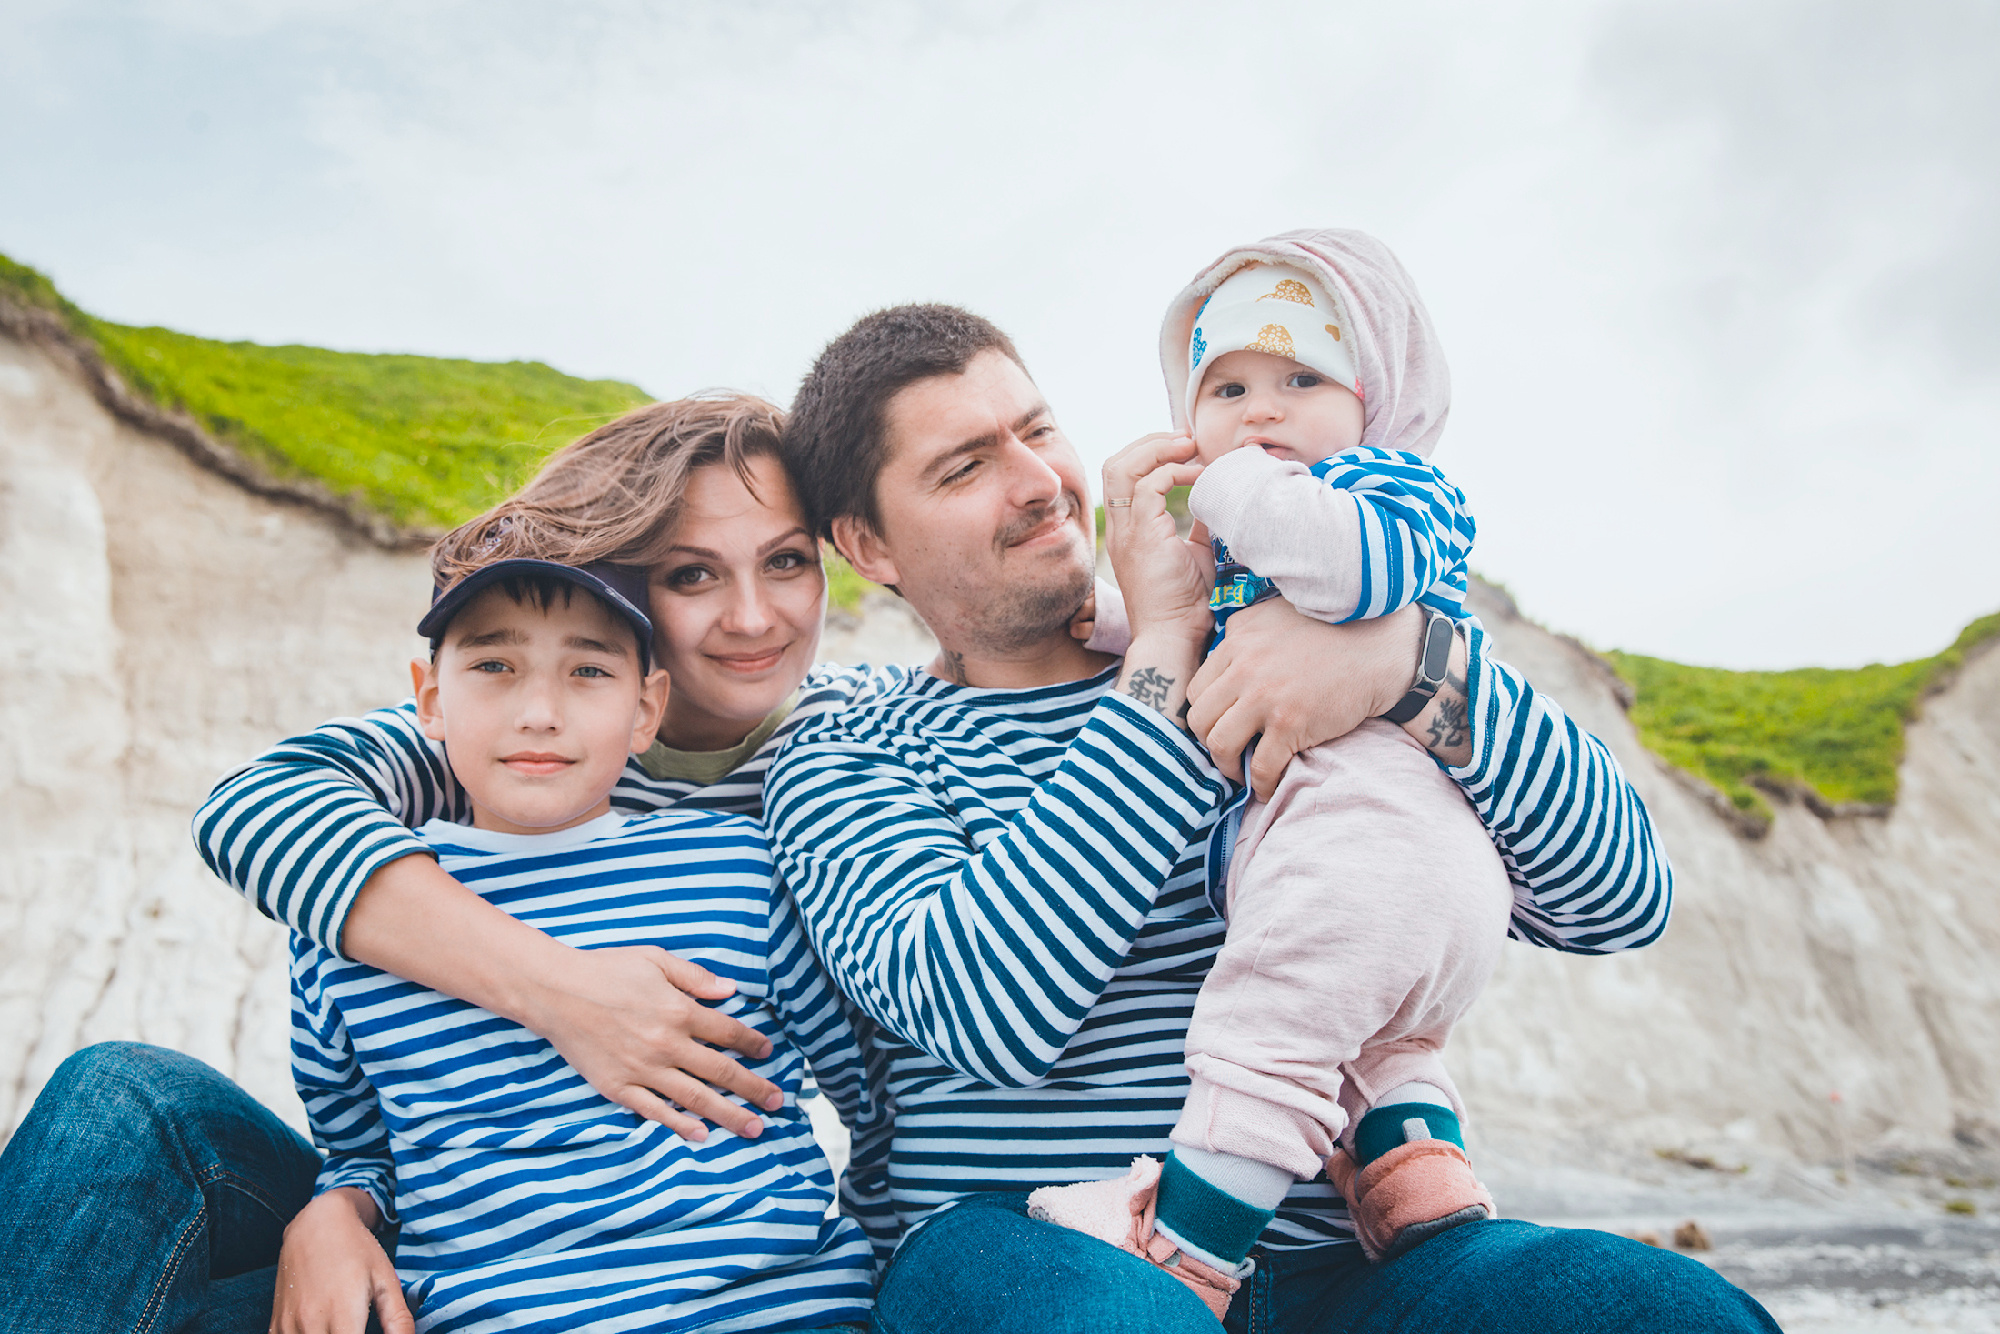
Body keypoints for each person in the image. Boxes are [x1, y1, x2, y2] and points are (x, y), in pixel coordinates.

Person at [766, 295, 1770, 1332]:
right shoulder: (849, 741)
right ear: (867, 545)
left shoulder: (1300, 640)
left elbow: (1619, 900)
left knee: (1664, 1311)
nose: (1037, 482)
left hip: (1350, 1267)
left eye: (1035, 429)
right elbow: (989, 1005)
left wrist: (1412, 667)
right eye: (963, 466)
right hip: (1031, 1245)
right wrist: (1162, 650)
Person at [1029, 232, 1512, 1309]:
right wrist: (1114, 615)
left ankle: (1188, 1250)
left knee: (1259, 1040)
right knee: (1380, 1048)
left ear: (1375, 394)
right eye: (1228, 387)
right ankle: (1414, 1183)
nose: (1260, 411)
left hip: (1364, 852)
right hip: (1402, 888)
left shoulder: (1393, 485)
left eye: (1302, 379)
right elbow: (1203, 626)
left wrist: (1234, 487)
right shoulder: (1260, 540)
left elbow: (1353, 571)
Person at [285, 531, 878, 1333]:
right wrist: (334, 1212)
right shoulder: (357, 922)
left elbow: (871, 1099)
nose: (538, 713)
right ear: (429, 699)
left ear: (645, 708)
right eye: (494, 667)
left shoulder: (738, 867)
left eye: (589, 672)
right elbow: (363, 1157)